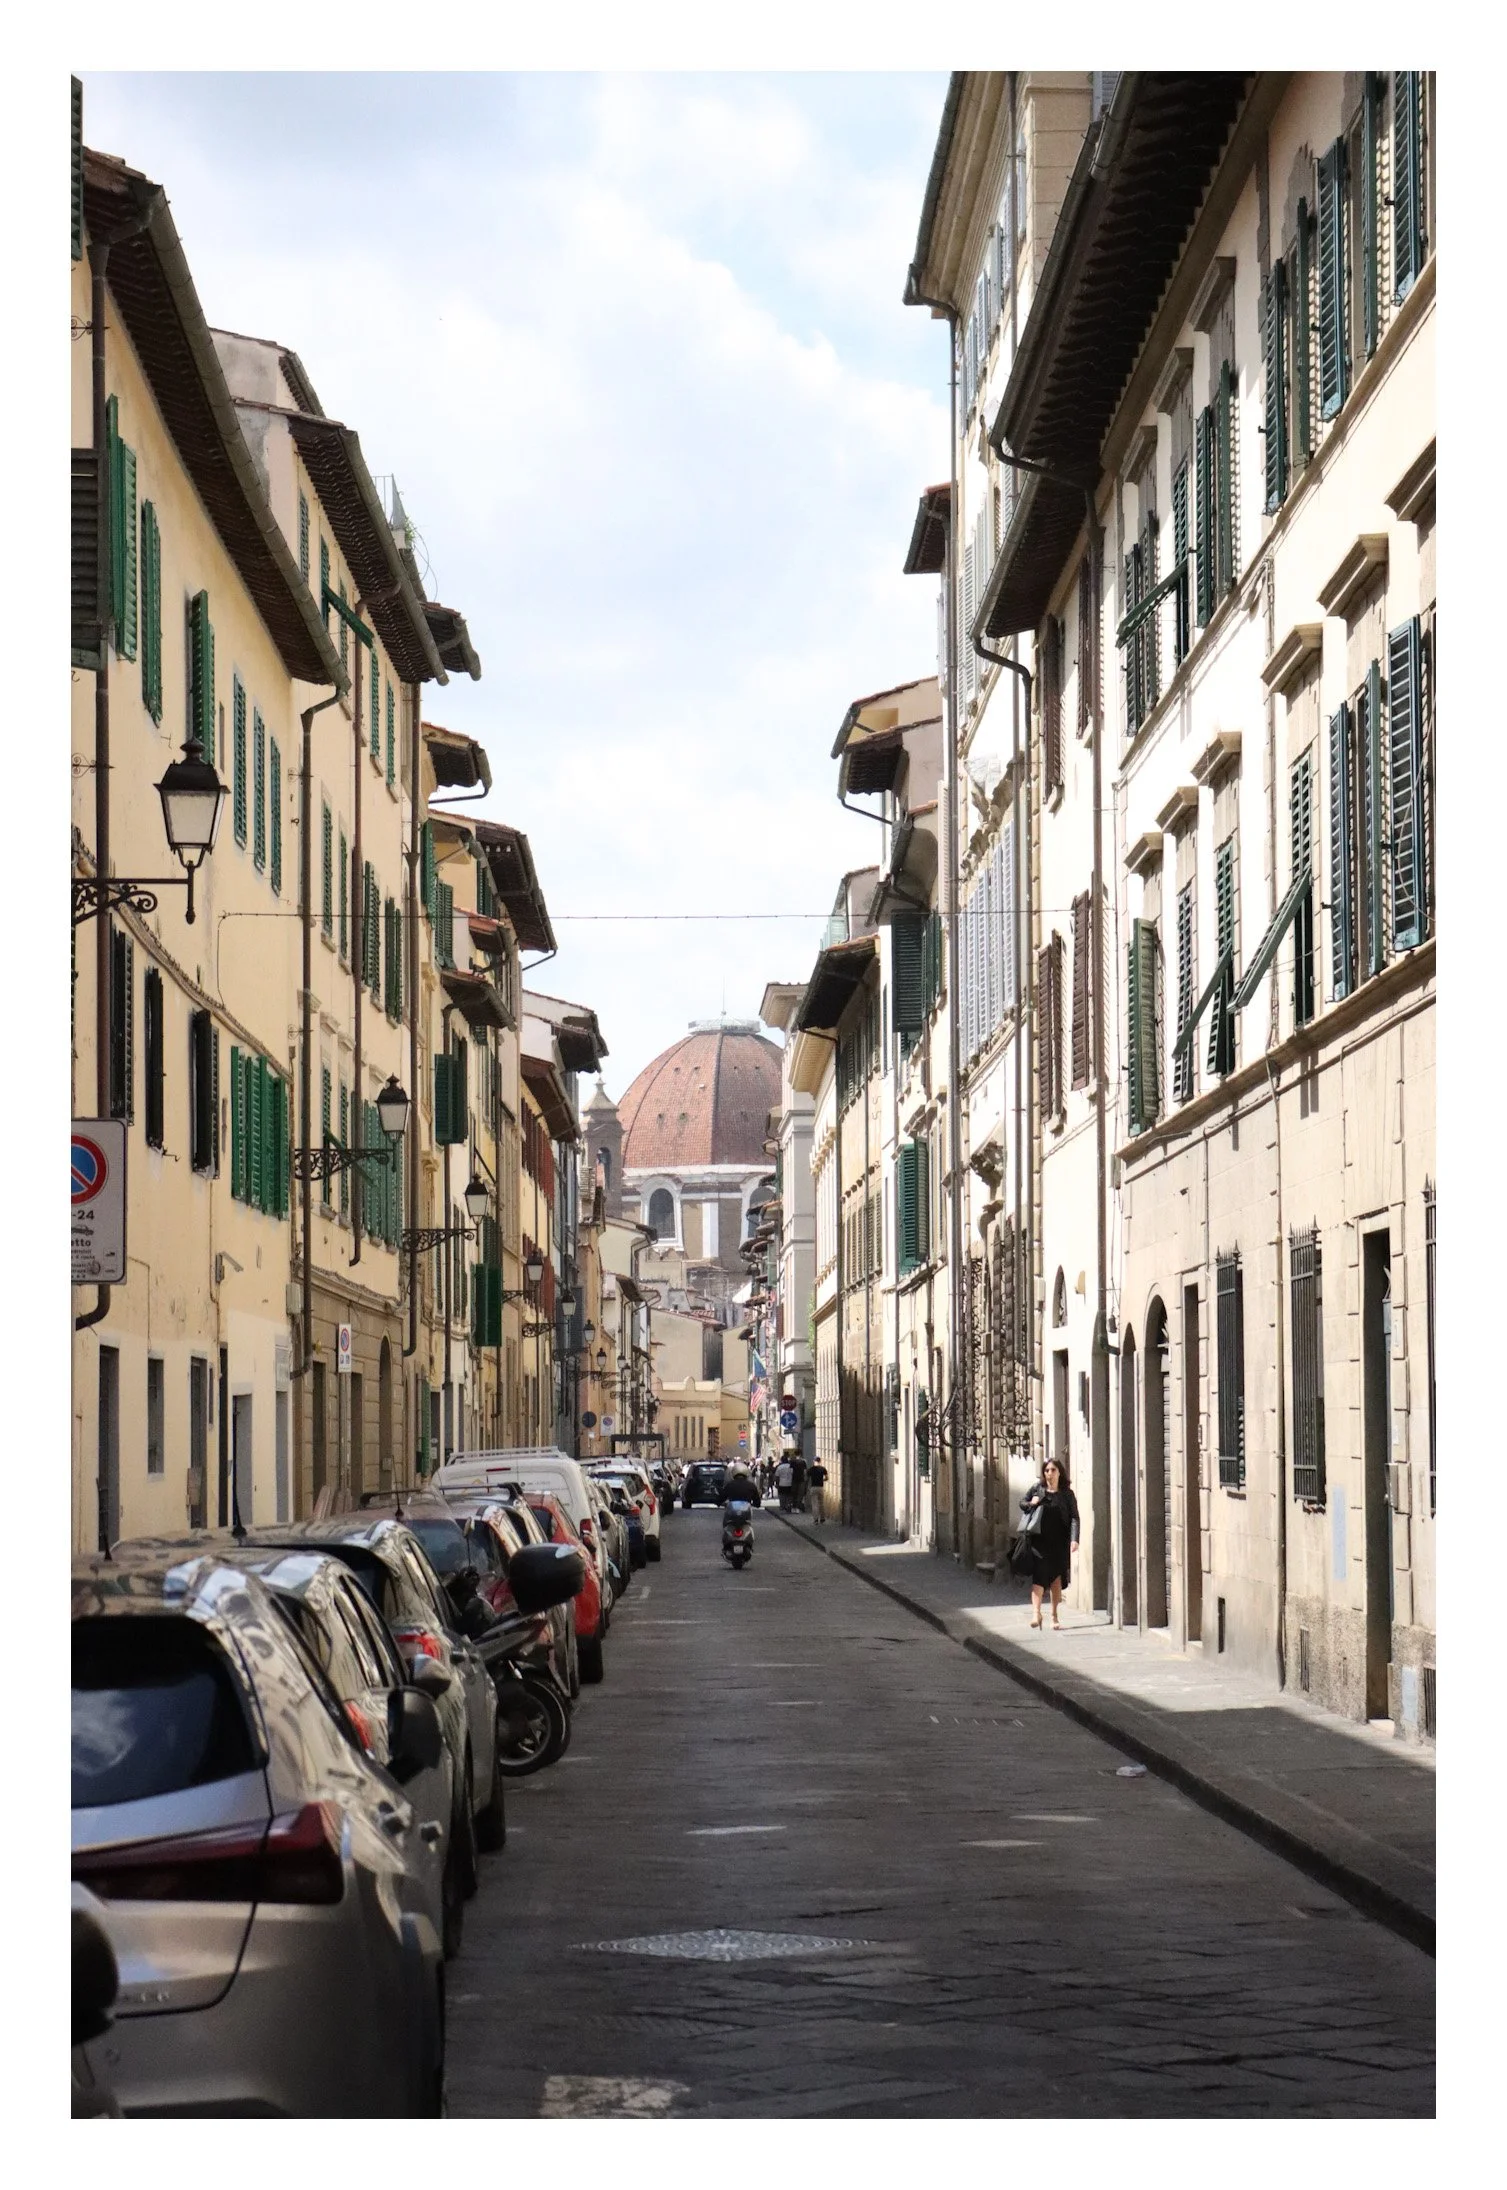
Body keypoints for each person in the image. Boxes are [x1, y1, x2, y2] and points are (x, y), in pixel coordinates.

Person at [1018, 1458, 1080, 1629]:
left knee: (1055, 1580)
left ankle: (1054, 1615)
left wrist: (1075, 1539)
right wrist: (1032, 1503)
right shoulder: (1038, 1488)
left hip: (1059, 1542)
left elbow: (1074, 1517)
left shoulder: (1067, 1494)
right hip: (1039, 1541)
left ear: (1060, 1472)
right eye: (1047, 1470)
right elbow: (1022, 1503)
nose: (1050, 1473)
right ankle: (1035, 1613)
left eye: (1053, 1470)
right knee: (1038, 1576)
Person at [807, 1457, 828, 1525]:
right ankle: (822, 1518)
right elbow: (827, 1478)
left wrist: (808, 1487)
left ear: (814, 1461)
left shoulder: (811, 1469)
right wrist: (822, 1480)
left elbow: (807, 1478)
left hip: (813, 1487)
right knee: (821, 1503)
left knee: (814, 1504)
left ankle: (816, 1519)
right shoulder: (823, 1469)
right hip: (820, 1487)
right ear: (820, 1461)